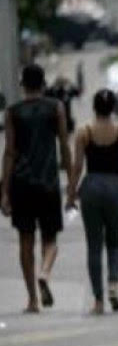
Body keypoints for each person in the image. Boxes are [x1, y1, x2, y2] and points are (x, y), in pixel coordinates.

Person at [66, 90, 118, 314]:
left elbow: (77, 167)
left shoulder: (84, 131)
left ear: (94, 107)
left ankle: (98, 301)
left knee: (94, 245)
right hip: (116, 188)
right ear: (113, 108)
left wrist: (71, 195)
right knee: (114, 242)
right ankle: (113, 284)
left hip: (91, 187)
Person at [1, 65, 72, 312]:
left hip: (21, 184)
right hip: (48, 183)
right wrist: (71, 182)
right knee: (51, 238)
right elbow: (64, 145)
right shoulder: (56, 107)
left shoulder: (12, 112)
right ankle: (44, 272)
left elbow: (9, 152)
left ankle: (32, 299)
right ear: (43, 84)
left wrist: (4, 191)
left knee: (25, 241)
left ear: (22, 85)